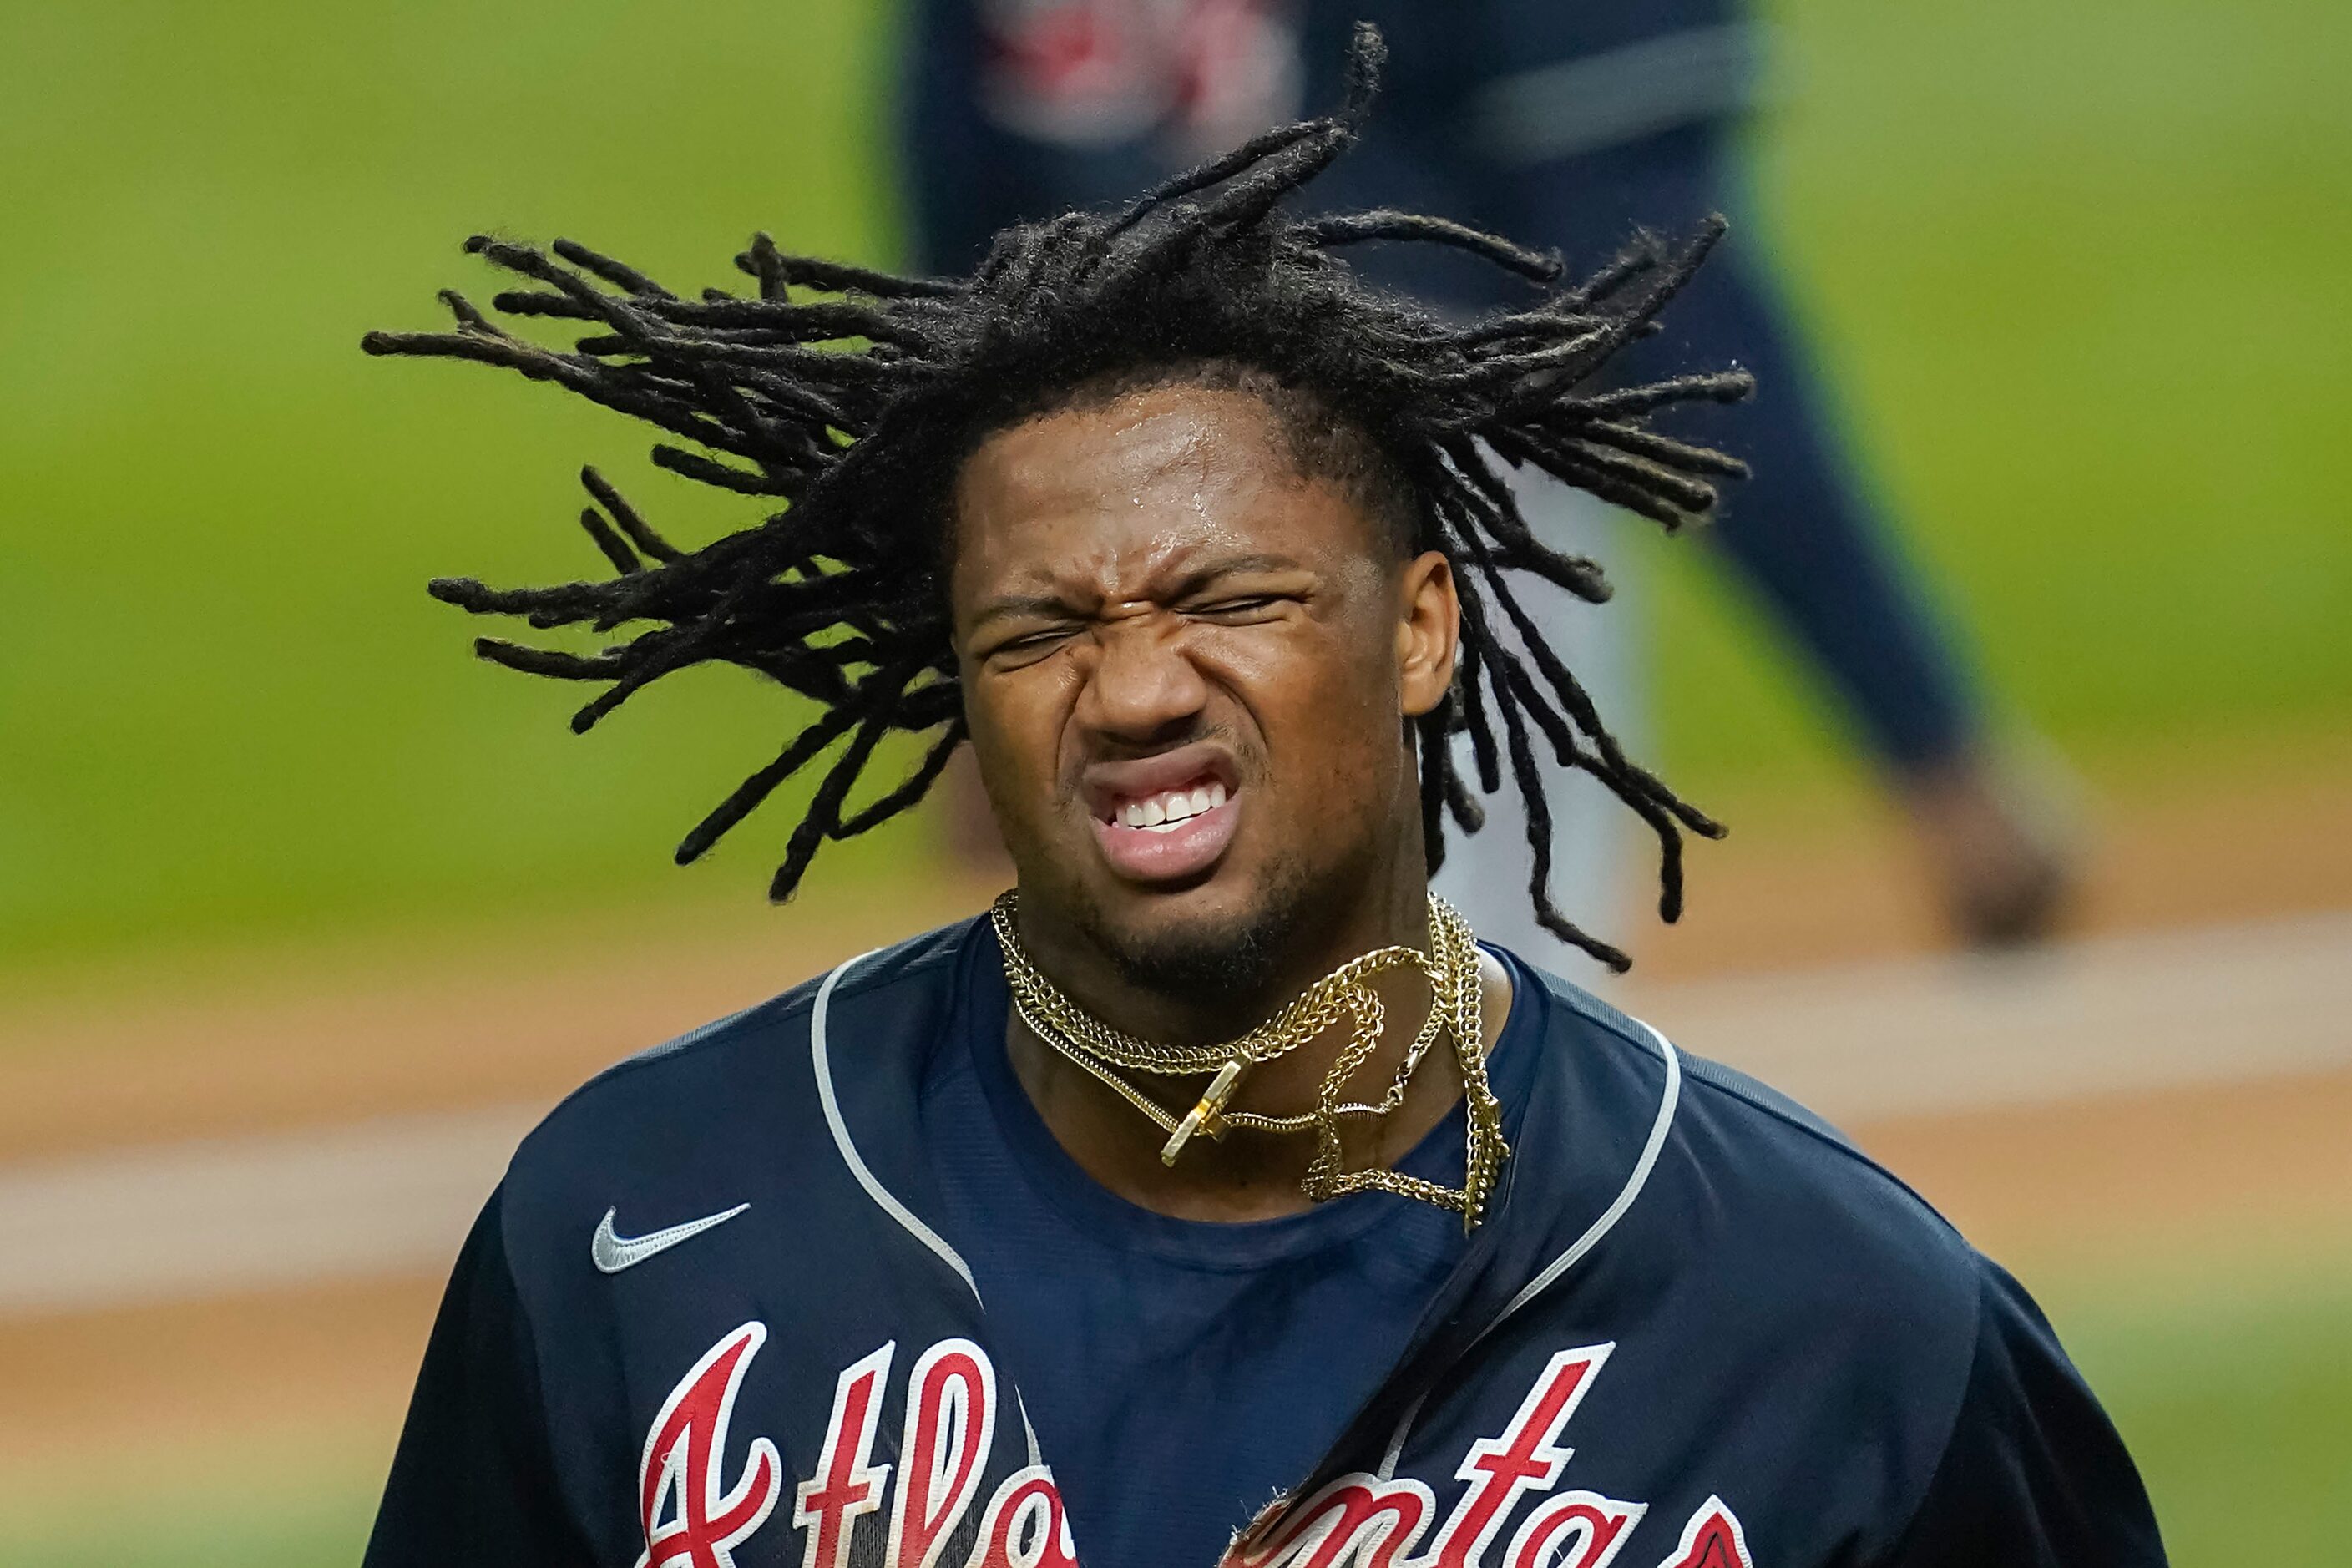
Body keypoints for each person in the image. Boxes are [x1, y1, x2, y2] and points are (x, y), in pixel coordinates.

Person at [359, 31, 2162, 1567]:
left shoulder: (1840, 1321)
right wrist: (1928, 739)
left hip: (1390, 455)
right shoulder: (637, 1228)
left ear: (1421, 631)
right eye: (1042, 635)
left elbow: (949, 192)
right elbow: (1653, 251)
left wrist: (1035, 524)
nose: (1136, 686)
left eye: (1225, 607)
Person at [901, 0, 2076, 962]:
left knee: (1182, 1045)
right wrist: (1930, 739)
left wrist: (972, 651)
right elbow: (1665, 297)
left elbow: (966, 262)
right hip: (1418, 490)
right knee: (1473, 1060)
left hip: (1092, 531)